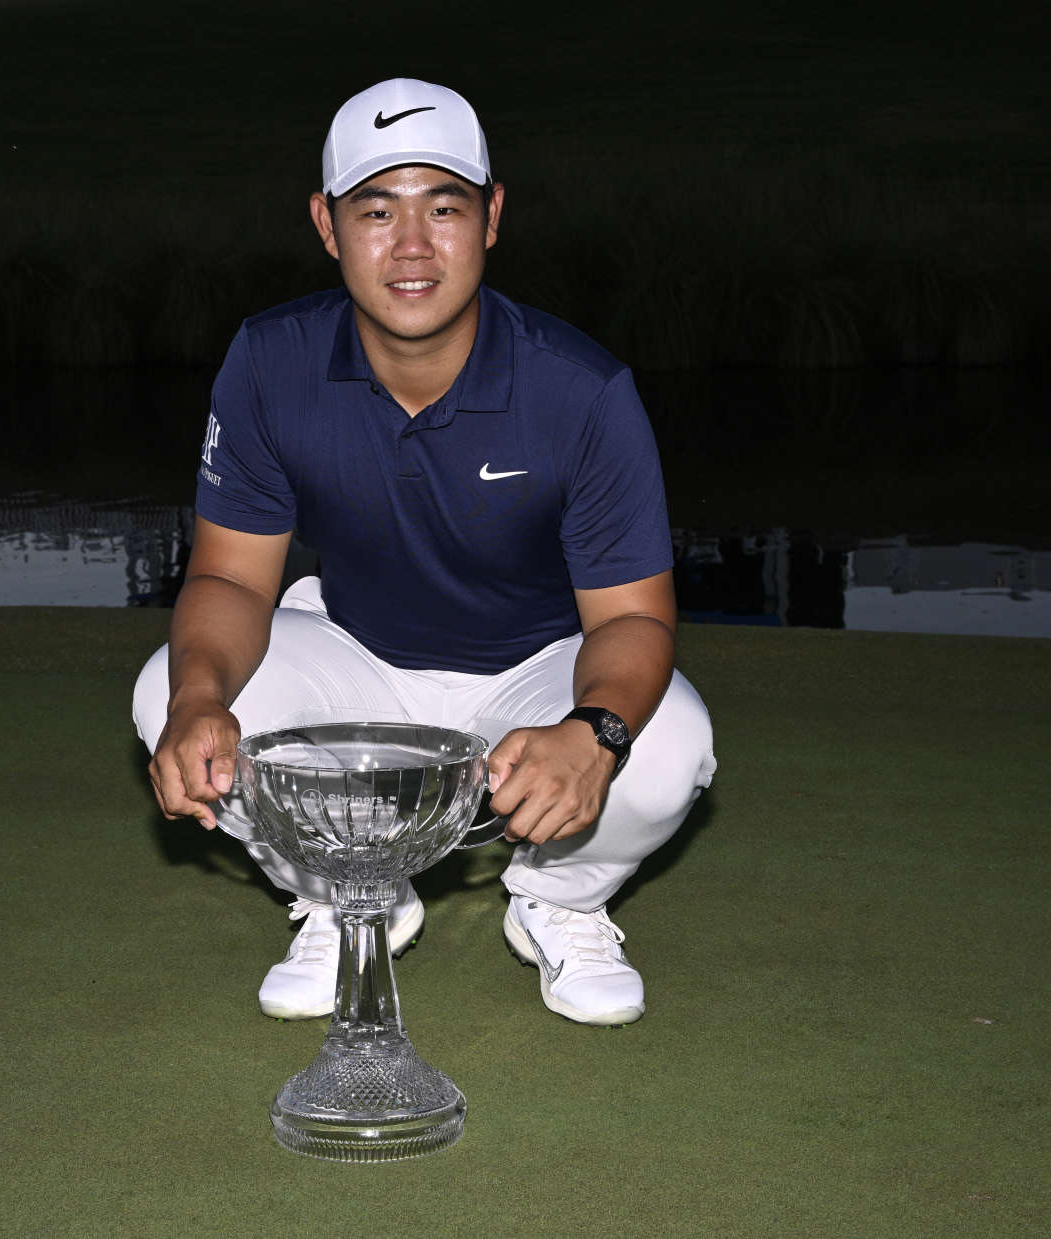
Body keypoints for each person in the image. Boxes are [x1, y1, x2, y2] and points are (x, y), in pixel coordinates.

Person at [131, 79, 716, 1027]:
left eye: (443, 207)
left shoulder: (582, 390)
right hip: (359, 662)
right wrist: (201, 699)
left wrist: (590, 734)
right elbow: (232, 576)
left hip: (537, 672)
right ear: (327, 225)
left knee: (666, 744)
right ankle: (345, 892)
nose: (411, 246)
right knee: (171, 690)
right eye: (376, 209)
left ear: (492, 218)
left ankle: (559, 898)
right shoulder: (271, 361)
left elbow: (634, 618)